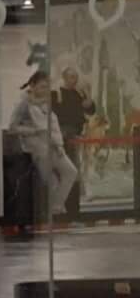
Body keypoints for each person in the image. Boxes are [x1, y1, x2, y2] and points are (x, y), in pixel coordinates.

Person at [8, 69, 79, 230]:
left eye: (47, 86)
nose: (45, 90)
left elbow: (53, 125)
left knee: (70, 172)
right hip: (38, 147)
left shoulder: (45, 102)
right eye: (41, 86)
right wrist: (33, 131)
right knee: (51, 180)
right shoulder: (23, 104)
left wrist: (59, 144)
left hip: (53, 145)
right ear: (32, 86)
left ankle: (56, 208)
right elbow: (12, 127)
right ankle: (56, 212)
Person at [54, 68, 92, 217]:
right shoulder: (58, 94)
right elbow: (59, 115)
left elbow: (90, 109)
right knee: (69, 172)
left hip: (75, 135)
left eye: (75, 77)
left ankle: (73, 209)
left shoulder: (78, 94)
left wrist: (88, 96)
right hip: (65, 138)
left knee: (74, 172)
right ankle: (67, 208)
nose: (74, 80)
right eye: (71, 77)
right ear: (64, 78)